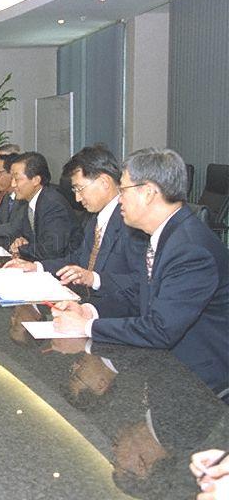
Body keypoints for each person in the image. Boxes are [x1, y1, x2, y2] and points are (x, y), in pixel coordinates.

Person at [52, 148, 229, 397]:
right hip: (165, 369)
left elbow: (160, 329)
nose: (119, 199)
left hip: (199, 386)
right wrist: (89, 311)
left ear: (147, 193)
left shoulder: (190, 250)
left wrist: (88, 326)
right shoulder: (166, 234)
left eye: (123, 190)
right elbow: (139, 294)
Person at [5, 145, 146, 296]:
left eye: (79, 189)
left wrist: (94, 279)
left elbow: (141, 281)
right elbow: (78, 258)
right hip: (85, 301)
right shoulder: (94, 218)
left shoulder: (132, 222)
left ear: (104, 182)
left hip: (113, 310)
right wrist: (37, 267)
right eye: (75, 191)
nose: (78, 198)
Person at [8, 151, 82, 260]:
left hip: (63, 268)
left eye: (17, 179)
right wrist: (21, 241)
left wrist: (22, 248)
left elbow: (51, 250)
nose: (12, 184)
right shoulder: (29, 202)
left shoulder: (53, 204)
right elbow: (28, 238)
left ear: (36, 180)